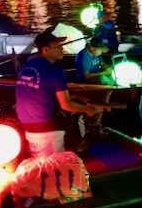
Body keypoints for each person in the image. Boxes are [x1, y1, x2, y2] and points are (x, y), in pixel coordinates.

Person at [15, 28, 109, 158]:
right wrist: (90, 109)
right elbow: (67, 105)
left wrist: (74, 96)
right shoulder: (55, 71)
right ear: (45, 50)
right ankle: (80, 144)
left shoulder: (27, 65)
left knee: (75, 103)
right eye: (58, 47)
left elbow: (43, 91)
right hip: (44, 123)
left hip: (25, 121)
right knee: (77, 114)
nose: (62, 49)